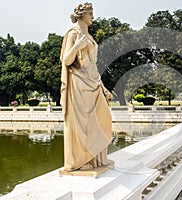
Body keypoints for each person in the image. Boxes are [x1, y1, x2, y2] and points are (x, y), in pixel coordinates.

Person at [60, 2, 113, 172]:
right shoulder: (73, 34)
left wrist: (102, 85)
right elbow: (66, 60)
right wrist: (77, 46)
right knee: (82, 123)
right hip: (79, 82)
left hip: (93, 81)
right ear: (83, 15)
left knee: (103, 118)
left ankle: (97, 158)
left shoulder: (89, 36)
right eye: (91, 14)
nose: (93, 17)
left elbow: (93, 65)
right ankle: (82, 160)